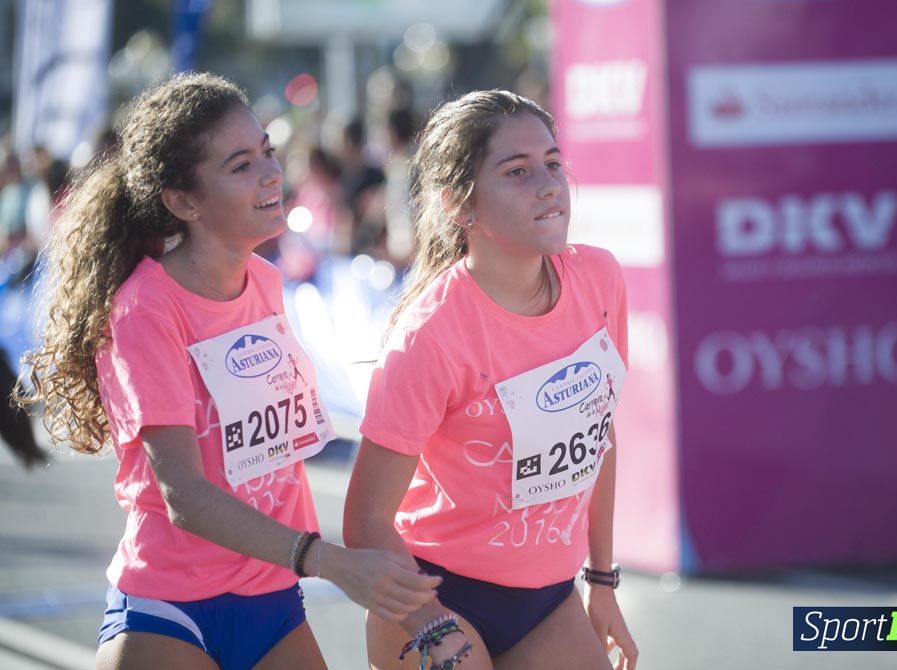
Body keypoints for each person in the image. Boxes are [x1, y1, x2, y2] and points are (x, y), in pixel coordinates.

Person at [17, 72, 440, 670]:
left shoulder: (265, 282)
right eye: (241, 165)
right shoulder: (144, 309)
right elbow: (183, 494)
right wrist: (332, 561)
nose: (272, 173)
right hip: (172, 609)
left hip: (271, 599)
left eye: (267, 151)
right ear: (183, 202)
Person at [344, 90, 639, 670]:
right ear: (460, 204)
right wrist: (430, 628)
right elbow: (365, 521)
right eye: (517, 172)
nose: (549, 185)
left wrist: (601, 581)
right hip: (432, 596)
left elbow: (598, 438)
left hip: (548, 600)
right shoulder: (429, 336)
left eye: (553, 164)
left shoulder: (600, 280)